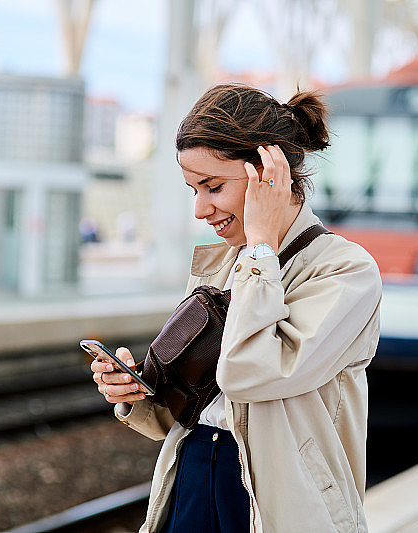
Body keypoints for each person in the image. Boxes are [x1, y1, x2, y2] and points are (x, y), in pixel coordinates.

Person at [92, 83, 381, 533]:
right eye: (193, 189)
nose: (200, 209)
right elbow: (189, 408)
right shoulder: (223, 264)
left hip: (281, 499)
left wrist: (262, 246)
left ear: (270, 173)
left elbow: (249, 373)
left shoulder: (345, 271)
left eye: (212, 187)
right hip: (192, 474)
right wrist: (138, 392)